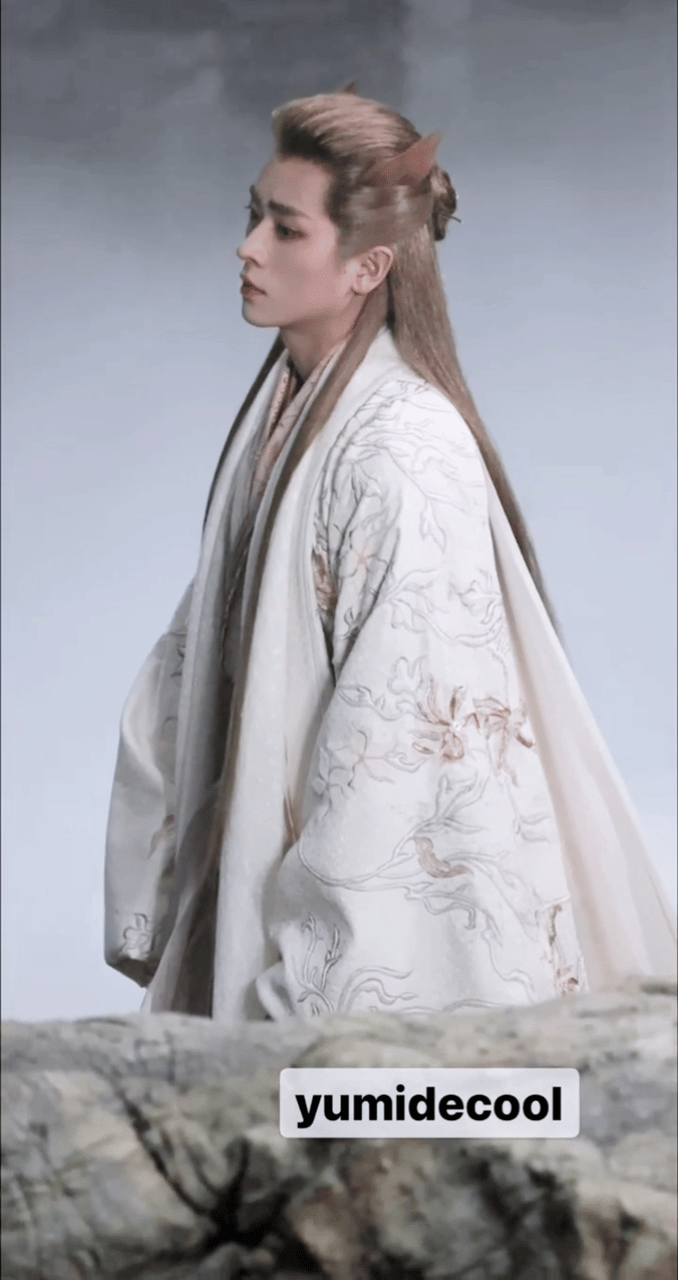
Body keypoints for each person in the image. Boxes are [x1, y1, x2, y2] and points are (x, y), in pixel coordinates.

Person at [104, 89, 676, 1022]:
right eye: (253, 216)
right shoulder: (287, 410)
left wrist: (304, 986)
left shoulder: (404, 449)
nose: (248, 248)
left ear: (369, 265)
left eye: (285, 228)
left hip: (355, 951)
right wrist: (164, 887)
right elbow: (190, 662)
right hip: (252, 881)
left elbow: (399, 763)